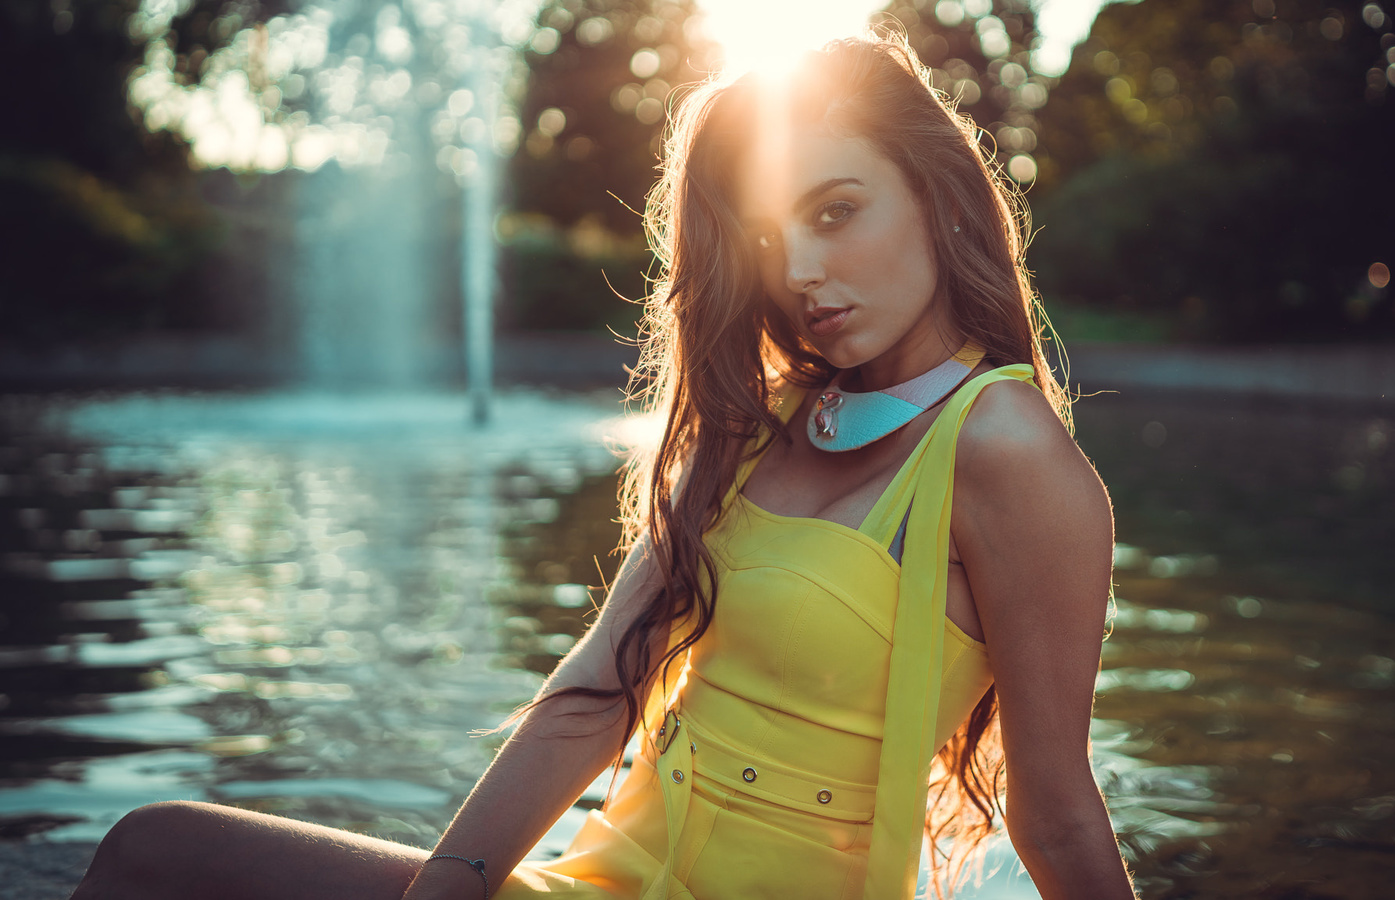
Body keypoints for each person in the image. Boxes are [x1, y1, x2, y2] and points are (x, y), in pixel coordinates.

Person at [69, 33, 1135, 900]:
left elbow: (1056, 813)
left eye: (836, 211)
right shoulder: (757, 424)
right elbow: (596, 688)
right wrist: (447, 891)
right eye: (765, 237)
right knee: (156, 852)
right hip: (603, 886)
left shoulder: (1008, 456)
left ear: (941, 195)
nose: (799, 271)